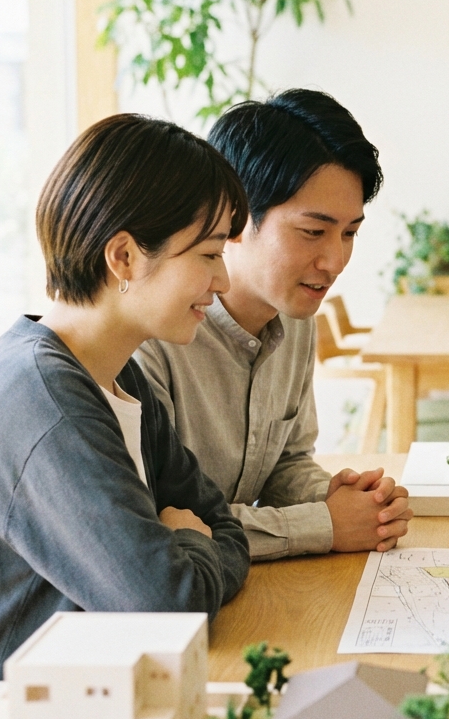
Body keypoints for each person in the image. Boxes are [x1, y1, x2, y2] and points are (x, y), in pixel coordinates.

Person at [0, 114, 252, 719]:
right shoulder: (43, 400)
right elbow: (165, 603)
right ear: (124, 256)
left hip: (58, 713)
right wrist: (190, 543)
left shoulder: (120, 381)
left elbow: (224, 524)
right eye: (209, 254)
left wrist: (187, 543)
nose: (224, 280)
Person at [136, 89, 412, 562]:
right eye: (313, 232)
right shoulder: (152, 339)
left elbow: (285, 463)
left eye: (350, 233)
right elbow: (168, 525)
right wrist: (323, 525)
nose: (336, 260)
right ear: (235, 217)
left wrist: (342, 502)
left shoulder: (297, 317)